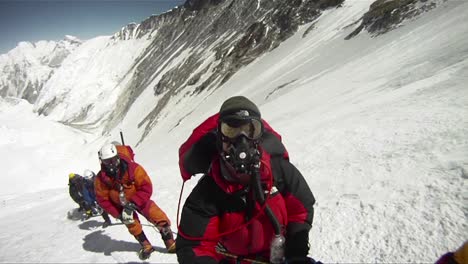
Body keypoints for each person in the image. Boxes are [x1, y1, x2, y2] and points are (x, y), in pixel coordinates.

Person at [176, 96, 316, 264]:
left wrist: (296, 251)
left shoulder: (279, 171)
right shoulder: (209, 190)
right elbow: (194, 245)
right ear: (220, 137)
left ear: (259, 136)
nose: (241, 140)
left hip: (278, 257)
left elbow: (300, 210)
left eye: (250, 130)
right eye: (231, 130)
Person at [94, 143, 176, 260]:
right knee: (131, 224)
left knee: (157, 216)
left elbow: (146, 187)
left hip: (139, 199)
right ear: (102, 162)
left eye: (113, 160)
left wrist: (134, 202)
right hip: (121, 205)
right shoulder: (101, 180)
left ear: (117, 157)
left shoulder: (133, 168)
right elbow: (103, 200)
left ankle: (170, 243)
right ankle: (146, 245)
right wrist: (118, 214)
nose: (111, 165)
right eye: (107, 162)